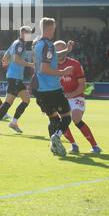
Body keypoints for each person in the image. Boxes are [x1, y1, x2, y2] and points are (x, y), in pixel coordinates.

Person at [33, 18, 73, 157]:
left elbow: (50, 58)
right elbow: (45, 68)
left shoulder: (37, 44)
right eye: (53, 29)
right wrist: (63, 72)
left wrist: (66, 50)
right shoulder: (49, 45)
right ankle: (56, 137)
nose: (54, 31)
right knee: (67, 117)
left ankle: (54, 147)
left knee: (53, 119)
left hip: (40, 90)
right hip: (52, 88)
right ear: (49, 29)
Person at [55, 40, 102, 154]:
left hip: (76, 97)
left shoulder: (75, 64)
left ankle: (95, 146)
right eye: (55, 50)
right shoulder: (52, 66)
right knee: (61, 121)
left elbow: (82, 85)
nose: (57, 52)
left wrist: (70, 95)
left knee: (76, 118)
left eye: (60, 49)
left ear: (65, 51)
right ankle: (73, 145)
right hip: (61, 98)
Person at [0, 26, 34, 135]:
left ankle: (13, 122)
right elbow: (17, 59)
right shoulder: (20, 45)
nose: (30, 36)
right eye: (29, 33)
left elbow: (5, 57)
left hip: (15, 77)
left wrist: (6, 63)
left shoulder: (15, 43)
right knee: (9, 102)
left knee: (26, 99)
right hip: (15, 77)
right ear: (23, 33)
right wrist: (30, 65)